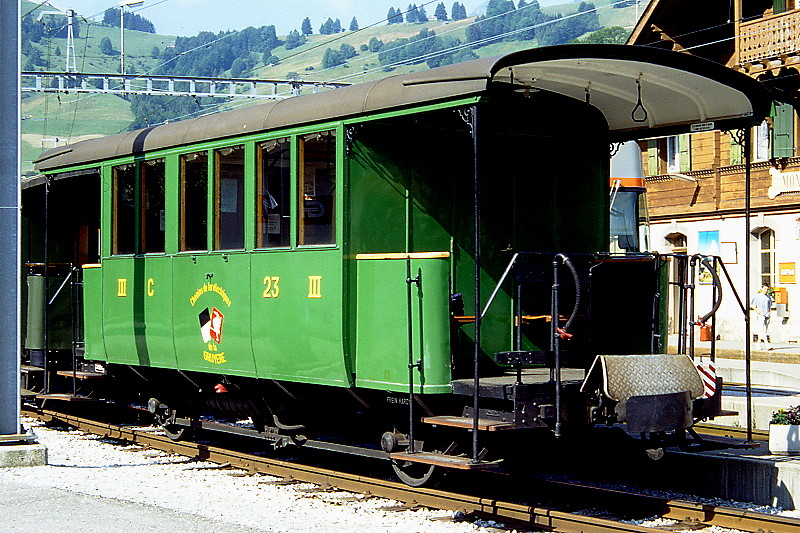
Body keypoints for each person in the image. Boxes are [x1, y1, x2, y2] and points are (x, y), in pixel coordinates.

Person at [750, 284, 774, 349]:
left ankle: (758, 344)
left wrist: (769, 312)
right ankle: (767, 344)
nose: (766, 290)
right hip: (761, 315)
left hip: (767, 315)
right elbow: (752, 305)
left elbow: (770, 305)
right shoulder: (757, 296)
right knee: (761, 329)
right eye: (764, 289)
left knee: (764, 330)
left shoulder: (768, 297)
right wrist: (757, 311)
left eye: (767, 289)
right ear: (761, 289)